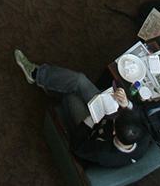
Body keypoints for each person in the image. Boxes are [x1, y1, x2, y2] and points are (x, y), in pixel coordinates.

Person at [13, 50, 152, 168]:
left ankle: (50, 86)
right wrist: (126, 104)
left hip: (89, 129)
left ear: (115, 131)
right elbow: (139, 113)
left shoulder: (104, 153)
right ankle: (37, 74)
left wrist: (91, 119)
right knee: (79, 80)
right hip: (105, 114)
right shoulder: (142, 136)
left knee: (72, 96)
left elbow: (77, 146)